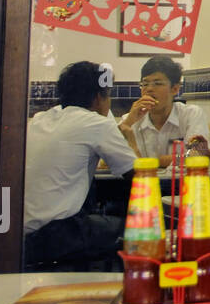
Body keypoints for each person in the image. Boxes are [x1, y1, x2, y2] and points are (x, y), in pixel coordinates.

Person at [23, 60, 141, 267]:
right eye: (108, 95)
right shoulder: (96, 123)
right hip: (57, 234)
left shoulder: (40, 119)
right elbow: (141, 176)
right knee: (142, 227)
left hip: (22, 234)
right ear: (98, 98)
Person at [130, 57, 210, 167]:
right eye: (145, 84)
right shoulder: (131, 120)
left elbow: (196, 155)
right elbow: (117, 160)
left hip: (183, 183)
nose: (149, 89)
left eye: (157, 83)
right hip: (144, 183)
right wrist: (128, 123)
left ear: (175, 89)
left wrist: (149, 162)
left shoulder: (191, 114)